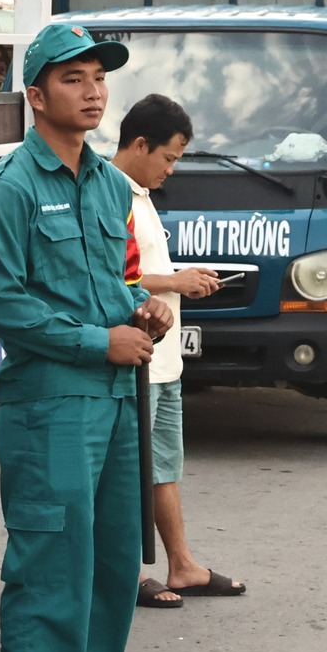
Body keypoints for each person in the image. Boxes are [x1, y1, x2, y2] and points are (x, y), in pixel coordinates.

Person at [0, 22, 175, 652]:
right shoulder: (10, 189)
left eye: (99, 78)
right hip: (52, 405)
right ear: (35, 95)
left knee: (114, 564)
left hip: (117, 398)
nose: (93, 93)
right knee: (51, 569)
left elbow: (110, 283)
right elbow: (3, 305)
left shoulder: (113, 185)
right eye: (73, 79)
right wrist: (99, 340)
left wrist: (141, 309)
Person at [107, 94, 244, 610]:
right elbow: (111, 276)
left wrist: (181, 279)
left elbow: (142, 270)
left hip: (164, 363)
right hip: (136, 360)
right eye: (168, 157)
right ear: (140, 144)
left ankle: (182, 564)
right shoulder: (108, 192)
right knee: (128, 473)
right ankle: (125, 572)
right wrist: (177, 281)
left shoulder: (140, 193)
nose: (171, 169)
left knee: (163, 466)